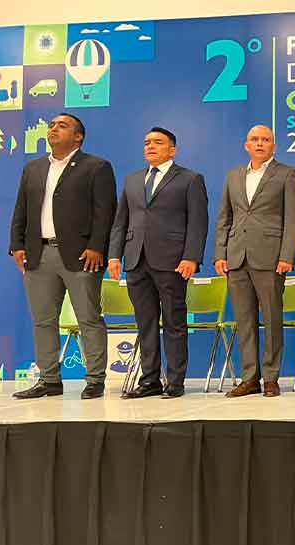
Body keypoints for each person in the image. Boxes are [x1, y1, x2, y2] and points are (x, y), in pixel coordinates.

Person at [8, 113, 116, 399]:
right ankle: (49, 380)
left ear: (78, 137)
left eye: (62, 126)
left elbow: (105, 212)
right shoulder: (33, 168)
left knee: (88, 318)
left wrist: (97, 246)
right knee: (43, 320)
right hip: (37, 254)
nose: (54, 128)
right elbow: (21, 209)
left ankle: (95, 379)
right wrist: (16, 245)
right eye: (52, 125)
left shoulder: (97, 167)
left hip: (82, 256)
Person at [108, 127, 209, 399]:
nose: (150, 146)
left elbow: (198, 222)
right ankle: (150, 380)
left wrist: (192, 257)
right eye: (147, 143)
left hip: (172, 261)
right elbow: (121, 221)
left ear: (172, 150)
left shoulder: (190, 179)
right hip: (135, 260)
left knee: (174, 322)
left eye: (158, 142)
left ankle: (175, 381)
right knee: (145, 323)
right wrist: (115, 255)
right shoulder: (132, 180)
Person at [215, 125, 295, 398]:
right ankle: (249, 378)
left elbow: (293, 219)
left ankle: (271, 378)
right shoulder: (234, 176)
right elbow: (225, 217)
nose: (260, 143)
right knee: (244, 320)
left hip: (271, 256)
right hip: (236, 256)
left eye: (266, 140)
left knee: (272, 318)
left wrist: (287, 255)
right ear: (246, 145)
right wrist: (220, 253)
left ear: (274, 146)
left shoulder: (287, 174)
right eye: (255, 139)